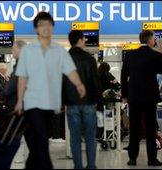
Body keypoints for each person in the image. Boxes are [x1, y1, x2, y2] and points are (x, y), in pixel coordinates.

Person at [14, 12, 86, 169]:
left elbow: (70, 70)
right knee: (42, 139)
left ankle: (30, 166)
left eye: (48, 24)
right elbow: (22, 77)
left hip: (51, 103)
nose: (45, 28)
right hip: (32, 102)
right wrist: (20, 100)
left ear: (52, 27)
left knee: (40, 140)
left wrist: (79, 84)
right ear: (36, 29)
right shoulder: (28, 51)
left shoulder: (59, 51)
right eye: (41, 25)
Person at [121, 30, 162, 166]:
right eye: (154, 39)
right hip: (150, 97)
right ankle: (152, 159)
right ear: (150, 40)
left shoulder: (130, 55)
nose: (154, 41)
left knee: (135, 127)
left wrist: (124, 95)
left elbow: (123, 75)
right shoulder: (155, 55)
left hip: (134, 96)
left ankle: (132, 158)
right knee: (151, 128)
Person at [62, 30, 101, 169]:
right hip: (89, 103)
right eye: (84, 39)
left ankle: (77, 166)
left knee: (75, 138)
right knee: (90, 137)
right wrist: (99, 101)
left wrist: (61, 102)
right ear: (79, 40)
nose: (85, 41)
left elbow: (60, 82)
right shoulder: (90, 59)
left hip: (71, 104)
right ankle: (91, 166)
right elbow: (95, 82)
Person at [0, 40, 26, 111]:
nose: (12, 51)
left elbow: (12, 85)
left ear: (20, 49)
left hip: (16, 104)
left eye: (14, 49)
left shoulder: (21, 65)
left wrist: (1, 96)